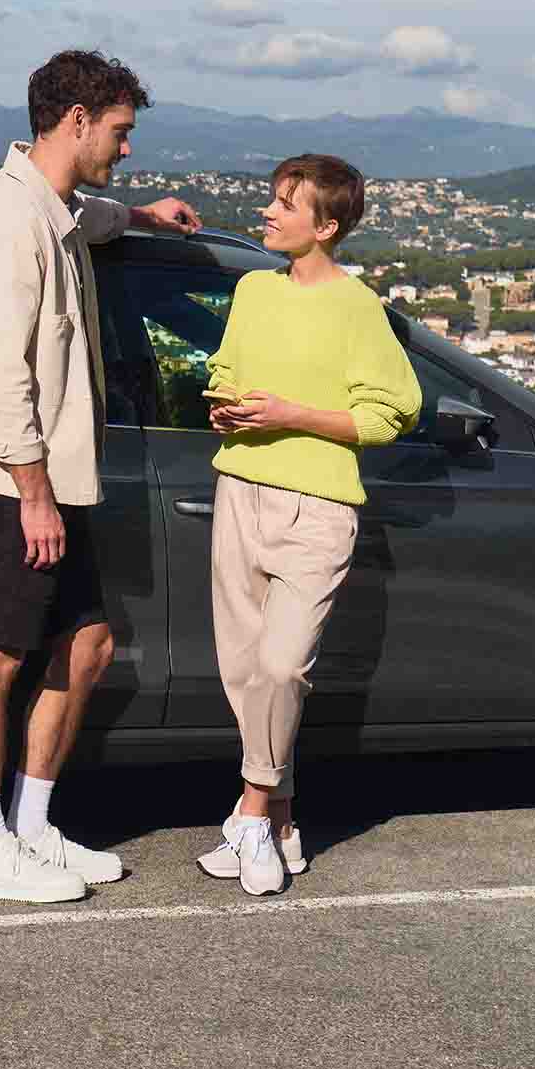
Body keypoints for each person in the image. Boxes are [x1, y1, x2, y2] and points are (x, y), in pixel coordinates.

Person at [0, 49, 200, 903]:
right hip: (13, 484)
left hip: (50, 482)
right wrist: (35, 495)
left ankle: (32, 825)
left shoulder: (51, 209)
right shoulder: (3, 232)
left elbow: (88, 218)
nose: (127, 148)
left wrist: (147, 218)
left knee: (86, 646)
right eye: (121, 132)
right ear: (76, 119)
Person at [194, 153, 418, 895]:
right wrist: (223, 406)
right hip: (239, 494)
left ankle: (252, 813)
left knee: (284, 667)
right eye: (272, 199)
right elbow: (224, 374)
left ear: (326, 226)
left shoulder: (360, 310)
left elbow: (391, 414)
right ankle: (283, 818)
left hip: (317, 509)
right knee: (244, 672)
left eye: (284, 205)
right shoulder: (254, 291)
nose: (268, 213)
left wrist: (292, 416)